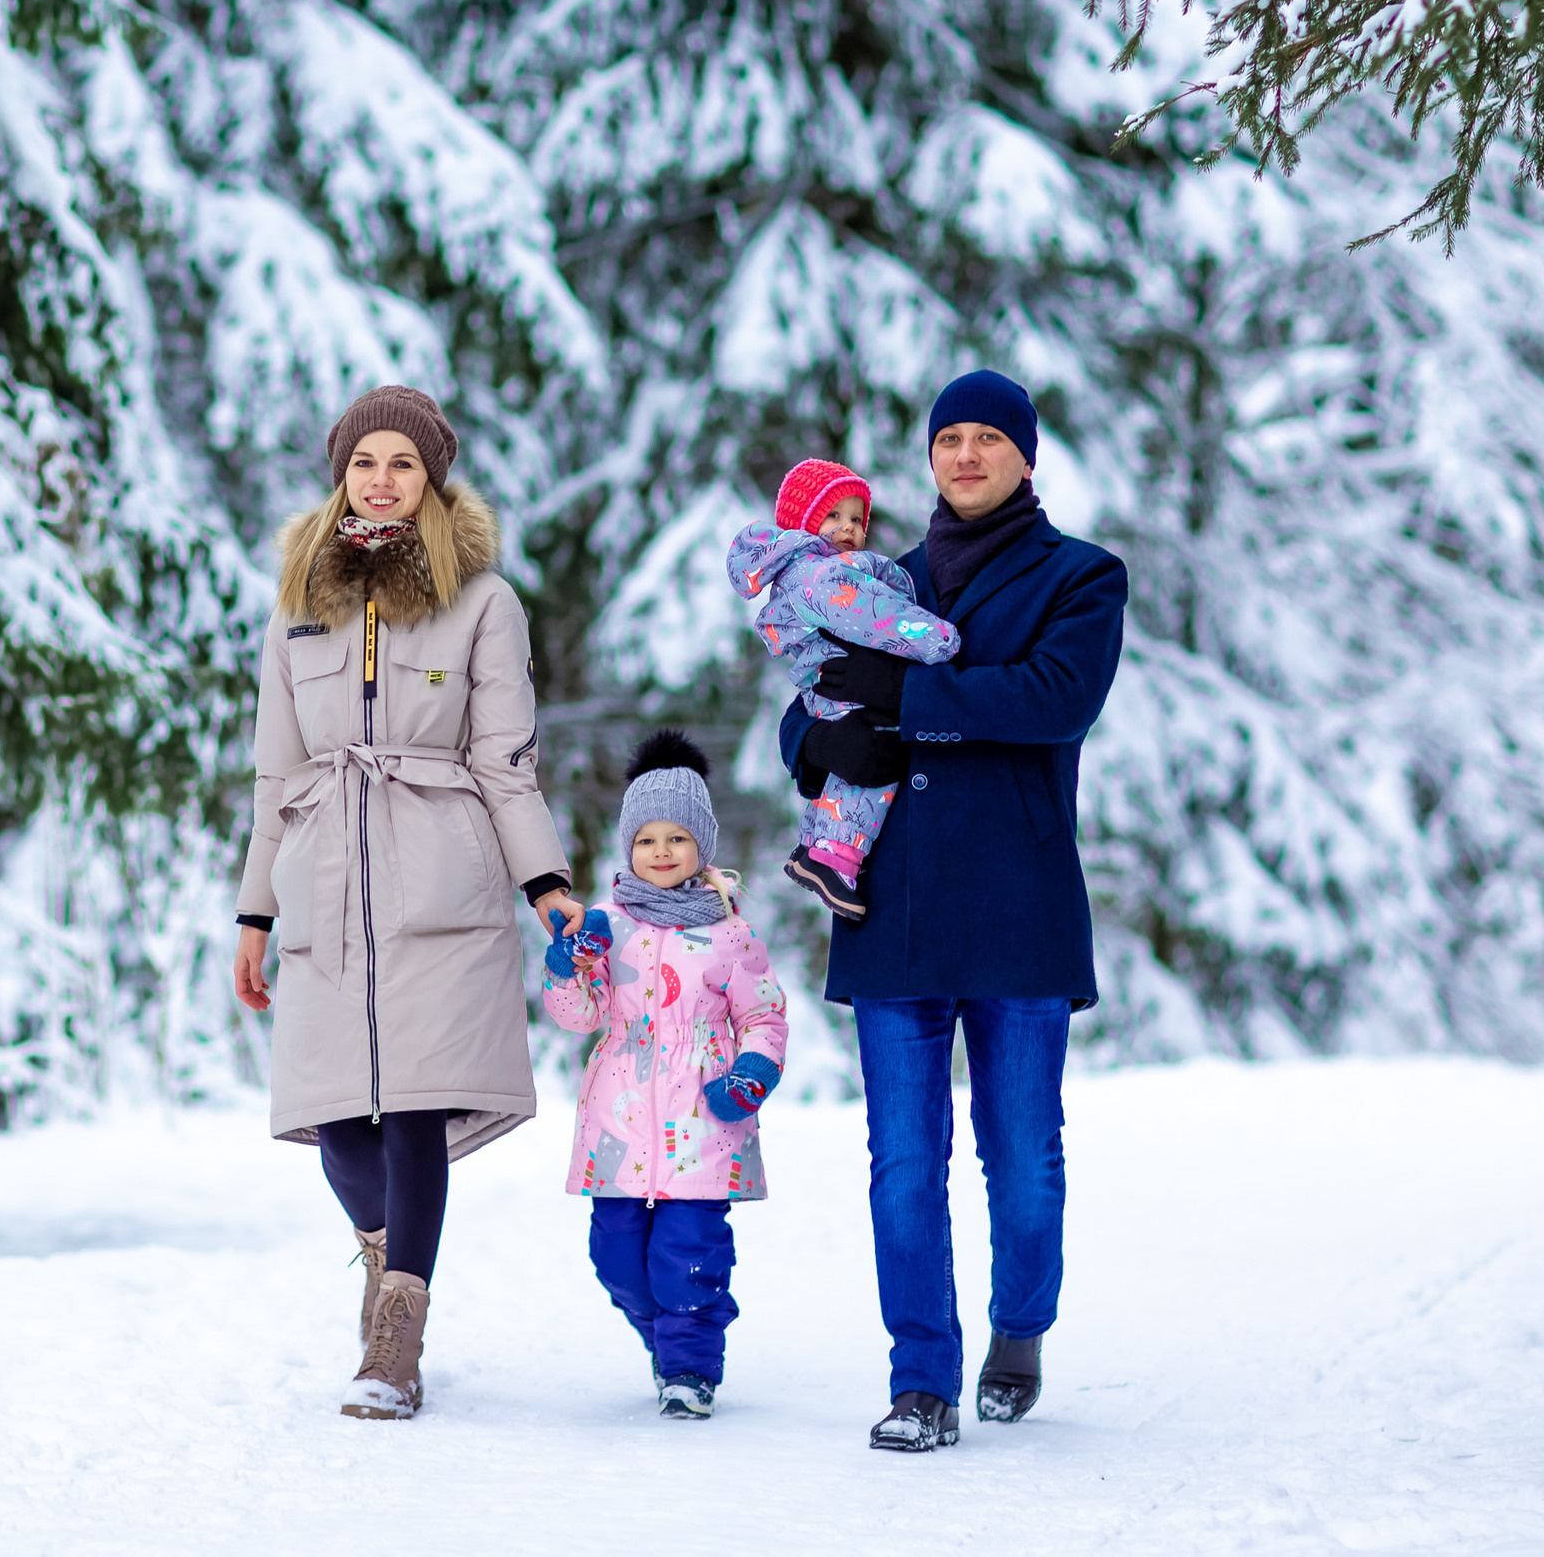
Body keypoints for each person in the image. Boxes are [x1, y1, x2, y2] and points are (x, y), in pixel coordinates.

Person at [779, 369, 1127, 1452]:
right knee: (901, 1161)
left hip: (1020, 905)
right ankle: (920, 1378)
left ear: (1025, 456)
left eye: (987, 438)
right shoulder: (879, 574)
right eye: (948, 439)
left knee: (1020, 1154)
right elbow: (814, 692)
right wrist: (815, 741)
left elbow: (1055, 698)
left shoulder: (1081, 575)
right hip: (892, 904)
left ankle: (1019, 1326)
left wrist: (907, 695)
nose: (965, 455)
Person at [231, 384, 586, 1422]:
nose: (380, 481)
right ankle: (385, 1252)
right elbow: (275, 774)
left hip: (442, 881)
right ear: (340, 475)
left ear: (431, 477)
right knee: (339, 1124)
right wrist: (254, 914)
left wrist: (546, 884)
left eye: (401, 463)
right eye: (363, 462)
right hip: (323, 885)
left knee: (416, 1109)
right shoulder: (297, 606)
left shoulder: (484, 600)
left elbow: (506, 762)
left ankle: (397, 1329)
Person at [539, 731, 788, 1420]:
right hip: (618, 1120)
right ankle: (666, 1339)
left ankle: (688, 1366)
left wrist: (752, 1071)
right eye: (646, 838)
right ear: (629, 846)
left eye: (677, 837)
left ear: (701, 845)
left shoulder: (730, 934)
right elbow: (579, 1015)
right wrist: (566, 968)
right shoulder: (606, 926)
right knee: (616, 1257)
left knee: (689, 1256)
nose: (661, 851)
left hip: (704, 1119)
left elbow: (763, 1014)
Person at [727, 460, 960, 920]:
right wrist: (938, 639)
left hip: (833, 681)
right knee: (872, 766)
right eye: (833, 516)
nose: (849, 528)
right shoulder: (822, 576)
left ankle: (816, 847)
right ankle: (834, 856)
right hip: (844, 683)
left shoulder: (815, 572)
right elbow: (878, 617)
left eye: (856, 518)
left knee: (856, 762)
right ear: (805, 523)